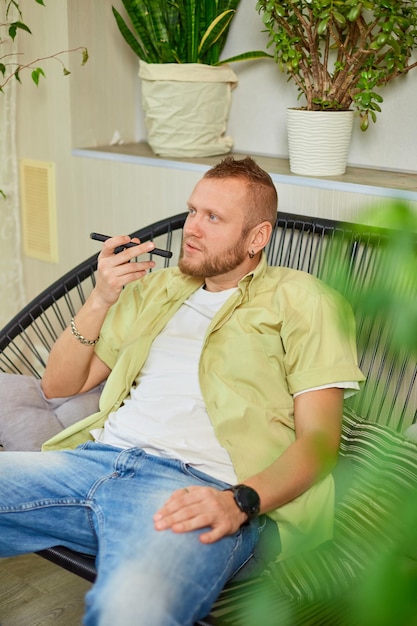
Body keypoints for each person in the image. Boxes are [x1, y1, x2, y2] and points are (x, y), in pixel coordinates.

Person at [0, 156, 364, 626]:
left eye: (213, 217)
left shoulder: (305, 301)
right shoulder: (157, 290)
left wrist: (239, 502)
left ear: (258, 237)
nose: (192, 228)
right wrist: (100, 298)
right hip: (91, 463)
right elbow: (59, 385)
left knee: (132, 610)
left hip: (198, 491)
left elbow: (319, 444)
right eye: (192, 211)